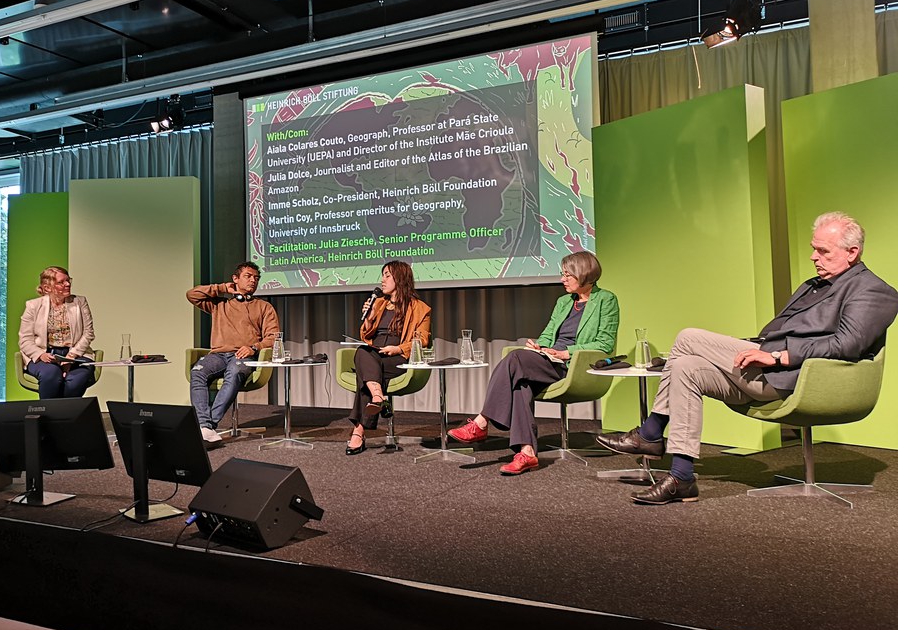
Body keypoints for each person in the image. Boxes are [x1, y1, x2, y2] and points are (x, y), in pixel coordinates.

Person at [597, 211, 898, 504]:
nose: (813, 257)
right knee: (684, 366)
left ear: (852, 252)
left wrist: (778, 357)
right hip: (766, 370)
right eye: (813, 249)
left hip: (796, 379)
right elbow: (777, 332)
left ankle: (650, 432)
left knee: (688, 337)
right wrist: (755, 348)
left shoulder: (874, 291)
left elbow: (846, 344)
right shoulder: (812, 286)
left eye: (823, 251)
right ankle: (682, 477)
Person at [448, 251, 620, 475]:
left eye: (567, 275)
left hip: (573, 366)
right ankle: (527, 452)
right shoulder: (563, 302)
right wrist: (540, 346)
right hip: (550, 361)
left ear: (584, 274)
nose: (562, 279)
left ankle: (481, 422)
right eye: (562, 274)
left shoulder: (606, 300)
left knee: (515, 359)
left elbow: (605, 343)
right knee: (521, 383)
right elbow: (548, 334)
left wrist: (566, 353)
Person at [186, 262, 280, 443]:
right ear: (235, 279)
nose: (253, 281)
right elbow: (192, 295)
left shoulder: (264, 307)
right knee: (197, 372)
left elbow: (273, 337)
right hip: (218, 356)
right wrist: (222, 288)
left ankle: (208, 426)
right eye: (248, 276)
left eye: (256, 278)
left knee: (235, 371)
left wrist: (254, 347)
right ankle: (204, 425)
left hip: (244, 356)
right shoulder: (219, 304)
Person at [346, 261, 431, 456]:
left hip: (397, 357)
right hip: (374, 353)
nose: (382, 280)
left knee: (366, 371)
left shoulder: (420, 309)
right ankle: (378, 398)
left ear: (400, 279)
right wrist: (368, 317)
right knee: (364, 352)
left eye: (387, 276)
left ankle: (359, 431)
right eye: (382, 275)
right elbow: (366, 335)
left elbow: (423, 339)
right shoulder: (379, 303)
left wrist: (398, 348)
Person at [18, 266, 96, 399]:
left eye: (68, 280)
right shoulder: (33, 305)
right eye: (61, 282)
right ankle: (49, 411)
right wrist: (40, 354)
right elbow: (25, 340)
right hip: (45, 355)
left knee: (75, 381)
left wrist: (72, 356)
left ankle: (66, 412)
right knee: (51, 375)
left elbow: (88, 333)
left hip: (76, 354)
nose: (68, 284)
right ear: (47, 287)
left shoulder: (80, 302)